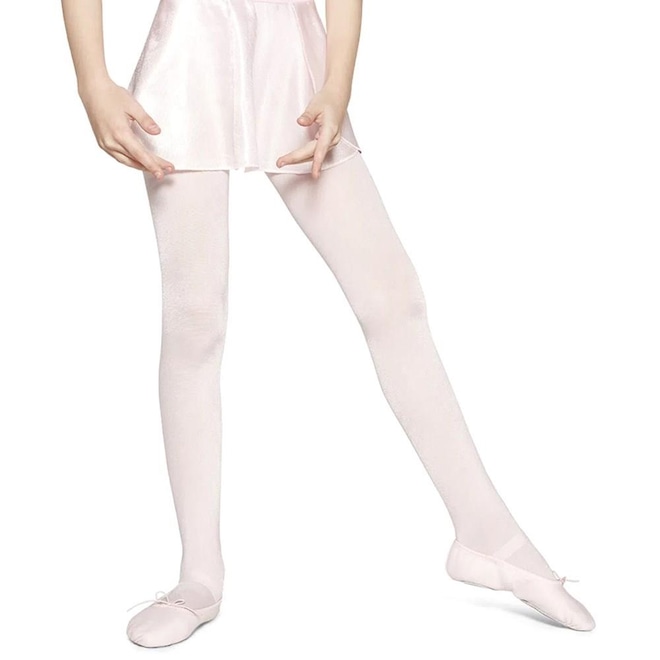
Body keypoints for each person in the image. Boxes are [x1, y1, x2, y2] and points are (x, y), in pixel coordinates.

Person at [61, 0, 596, 647]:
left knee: (393, 299)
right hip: (187, 57)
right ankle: (198, 574)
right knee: (195, 320)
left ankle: (490, 535)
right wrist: (92, 80)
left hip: (296, 57)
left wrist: (338, 80)